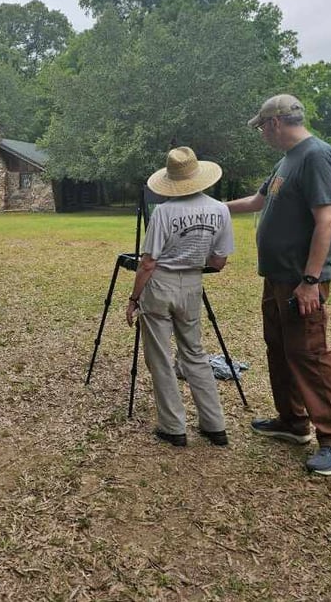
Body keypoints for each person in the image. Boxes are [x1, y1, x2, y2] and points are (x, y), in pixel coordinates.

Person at [226, 94, 331, 476]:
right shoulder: (286, 162)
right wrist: (208, 204)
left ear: (275, 122)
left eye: (262, 127)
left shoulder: (316, 155)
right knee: (280, 349)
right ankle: (293, 422)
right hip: (277, 278)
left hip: (301, 281)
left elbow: (325, 221)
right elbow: (255, 201)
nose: (262, 134)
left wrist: (311, 280)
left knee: (309, 354)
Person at [126, 147, 234, 447]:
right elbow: (219, 261)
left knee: (160, 357)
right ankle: (214, 425)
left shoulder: (163, 212)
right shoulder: (220, 210)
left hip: (161, 285)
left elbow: (148, 262)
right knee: (195, 355)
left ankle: (173, 427)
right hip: (192, 285)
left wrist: (134, 298)